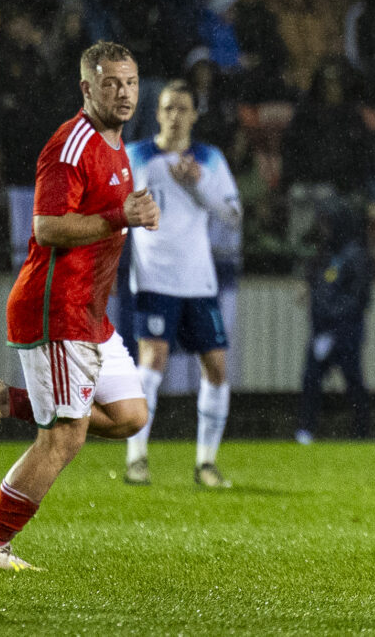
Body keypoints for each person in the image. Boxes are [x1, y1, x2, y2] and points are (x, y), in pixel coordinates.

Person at [0, 40, 160, 570]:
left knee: (131, 415)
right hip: (55, 310)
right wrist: (122, 218)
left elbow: (113, 216)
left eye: (130, 81)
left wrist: (131, 214)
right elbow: (46, 227)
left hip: (91, 316)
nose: (123, 92)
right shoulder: (71, 145)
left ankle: (5, 401)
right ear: (86, 88)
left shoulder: (116, 146)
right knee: (65, 436)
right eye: (110, 83)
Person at [123, 79, 242, 488]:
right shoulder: (135, 155)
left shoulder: (209, 158)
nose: (175, 116)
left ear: (194, 114)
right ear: (157, 113)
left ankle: (205, 464)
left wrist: (199, 185)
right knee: (152, 362)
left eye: (183, 108)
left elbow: (233, 215)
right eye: (168, 108)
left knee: (217, 368)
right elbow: (110, 205)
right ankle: (136, 458)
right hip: (154, 277)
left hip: (198, 280)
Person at [295, 199, 373, 445]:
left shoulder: (355, 255)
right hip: (322, 333)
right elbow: (316, 280)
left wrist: (333, 326)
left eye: (328, 223)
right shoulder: (326, 252)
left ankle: (361, 431)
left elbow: (360, 298)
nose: (323, 229)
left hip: (345, 332)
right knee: (311, 379)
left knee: (353, 382)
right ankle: (306, 430)